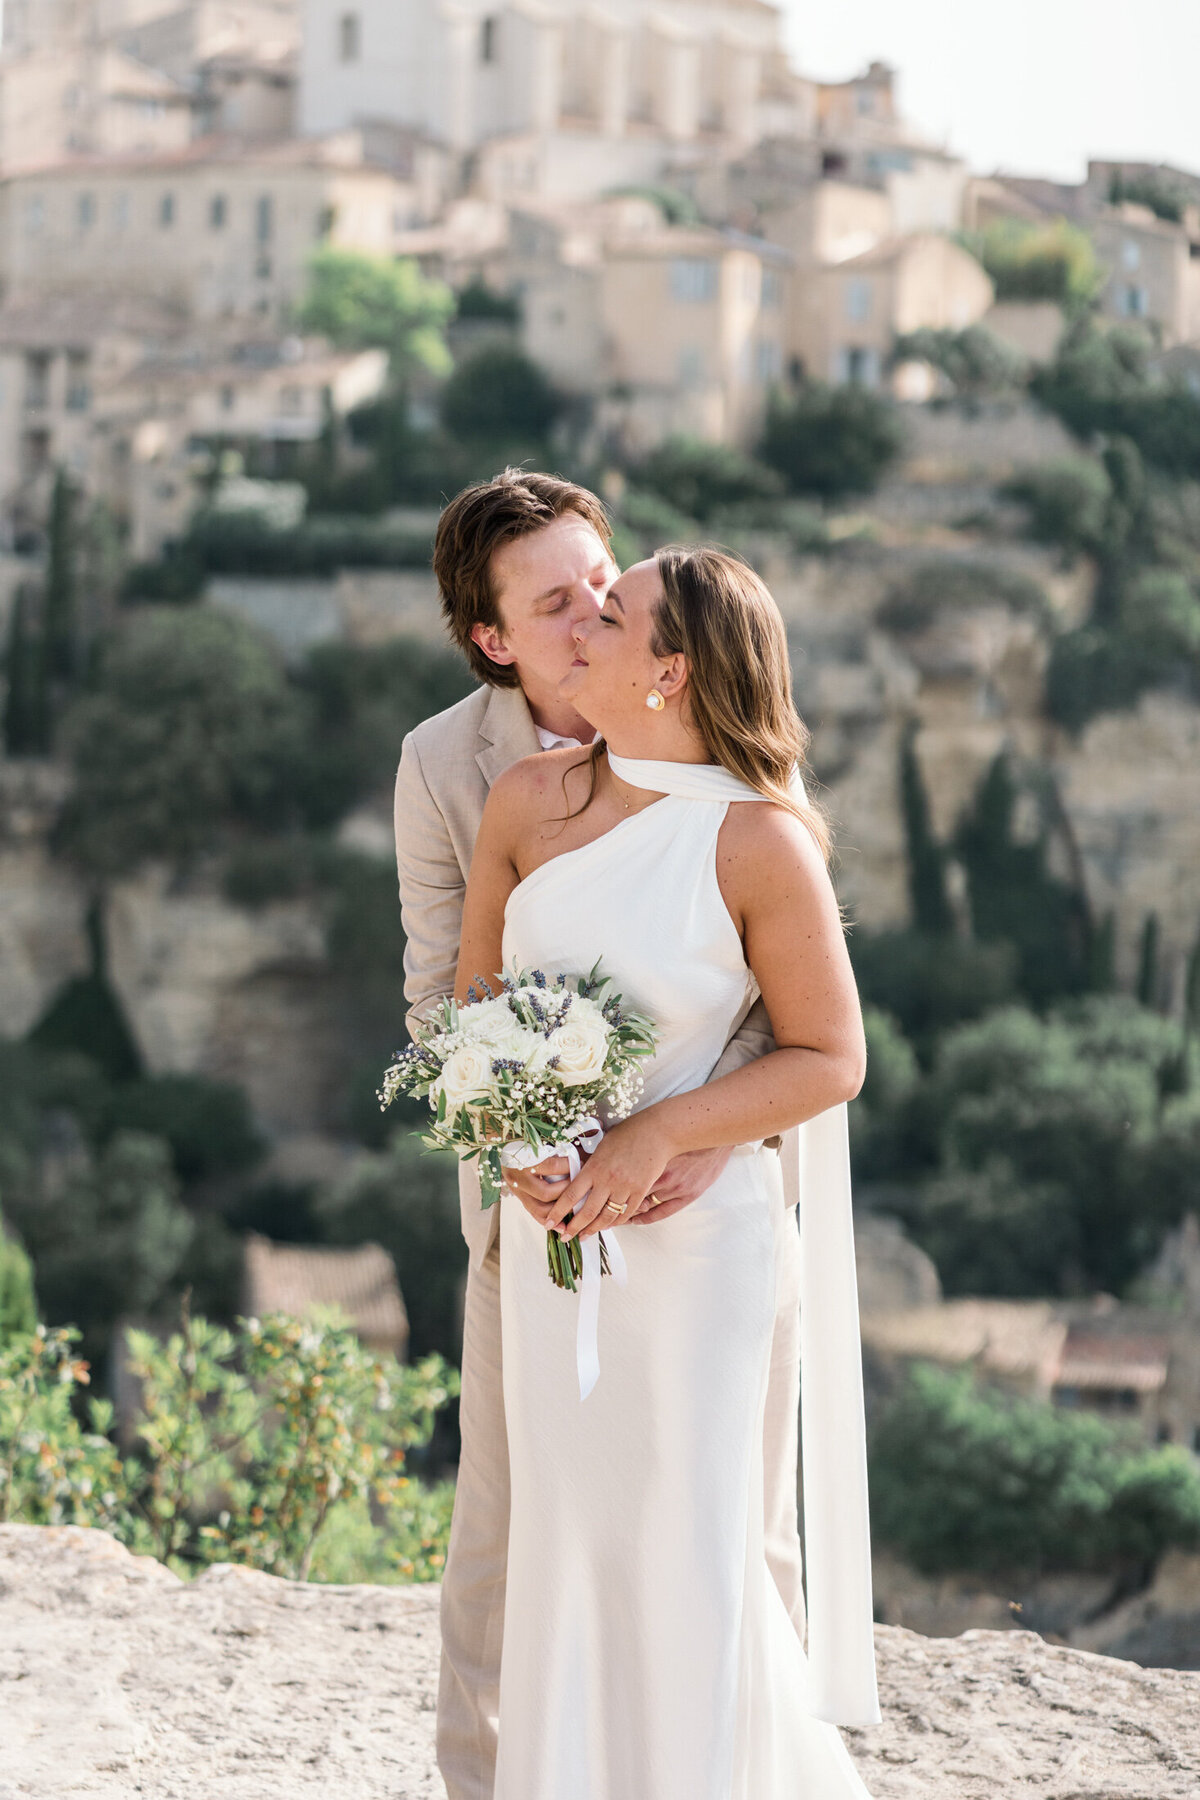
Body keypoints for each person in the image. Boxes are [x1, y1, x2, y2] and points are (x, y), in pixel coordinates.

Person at [394, 472, 809, 1799]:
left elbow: (788, 998)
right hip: (537, 1205)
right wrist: (520, 1133)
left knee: (728, 1521)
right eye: (553, 602)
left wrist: (682, 1142)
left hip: (709, 1198)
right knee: (514, 1533)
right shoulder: (455, 771)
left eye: (599, 584)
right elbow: (441, 994)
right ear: (495, 640)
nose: (587, 617)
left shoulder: (723, 738)